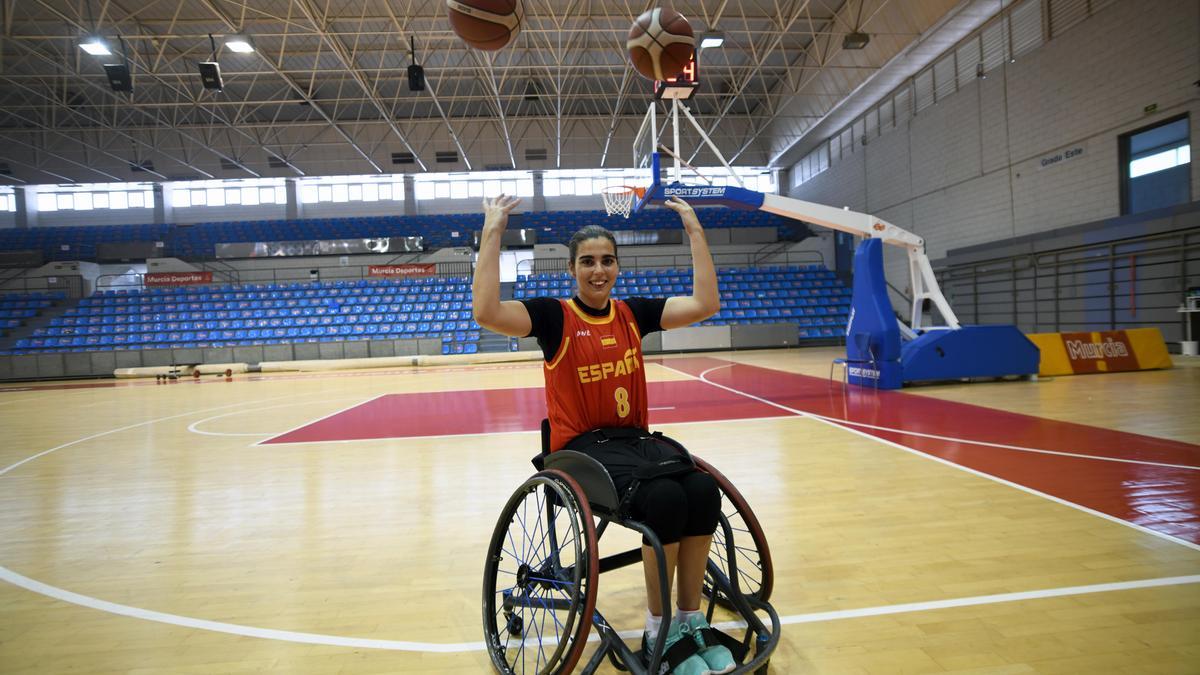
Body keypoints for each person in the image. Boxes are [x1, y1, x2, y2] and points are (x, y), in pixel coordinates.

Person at [472, 194, 734, 675]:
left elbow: (706, 303)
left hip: (632, 447)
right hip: (579, 453)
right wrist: (493, 230)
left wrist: (695, 229)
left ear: (617, 266)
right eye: (588, 262)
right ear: (572, 268)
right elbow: (487, 312)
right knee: (666, 502)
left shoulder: (633, 313)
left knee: (701, 489)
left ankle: (690, 621)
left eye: (607, 261)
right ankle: (659, 629)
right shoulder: (553, 317)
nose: (599, 270)